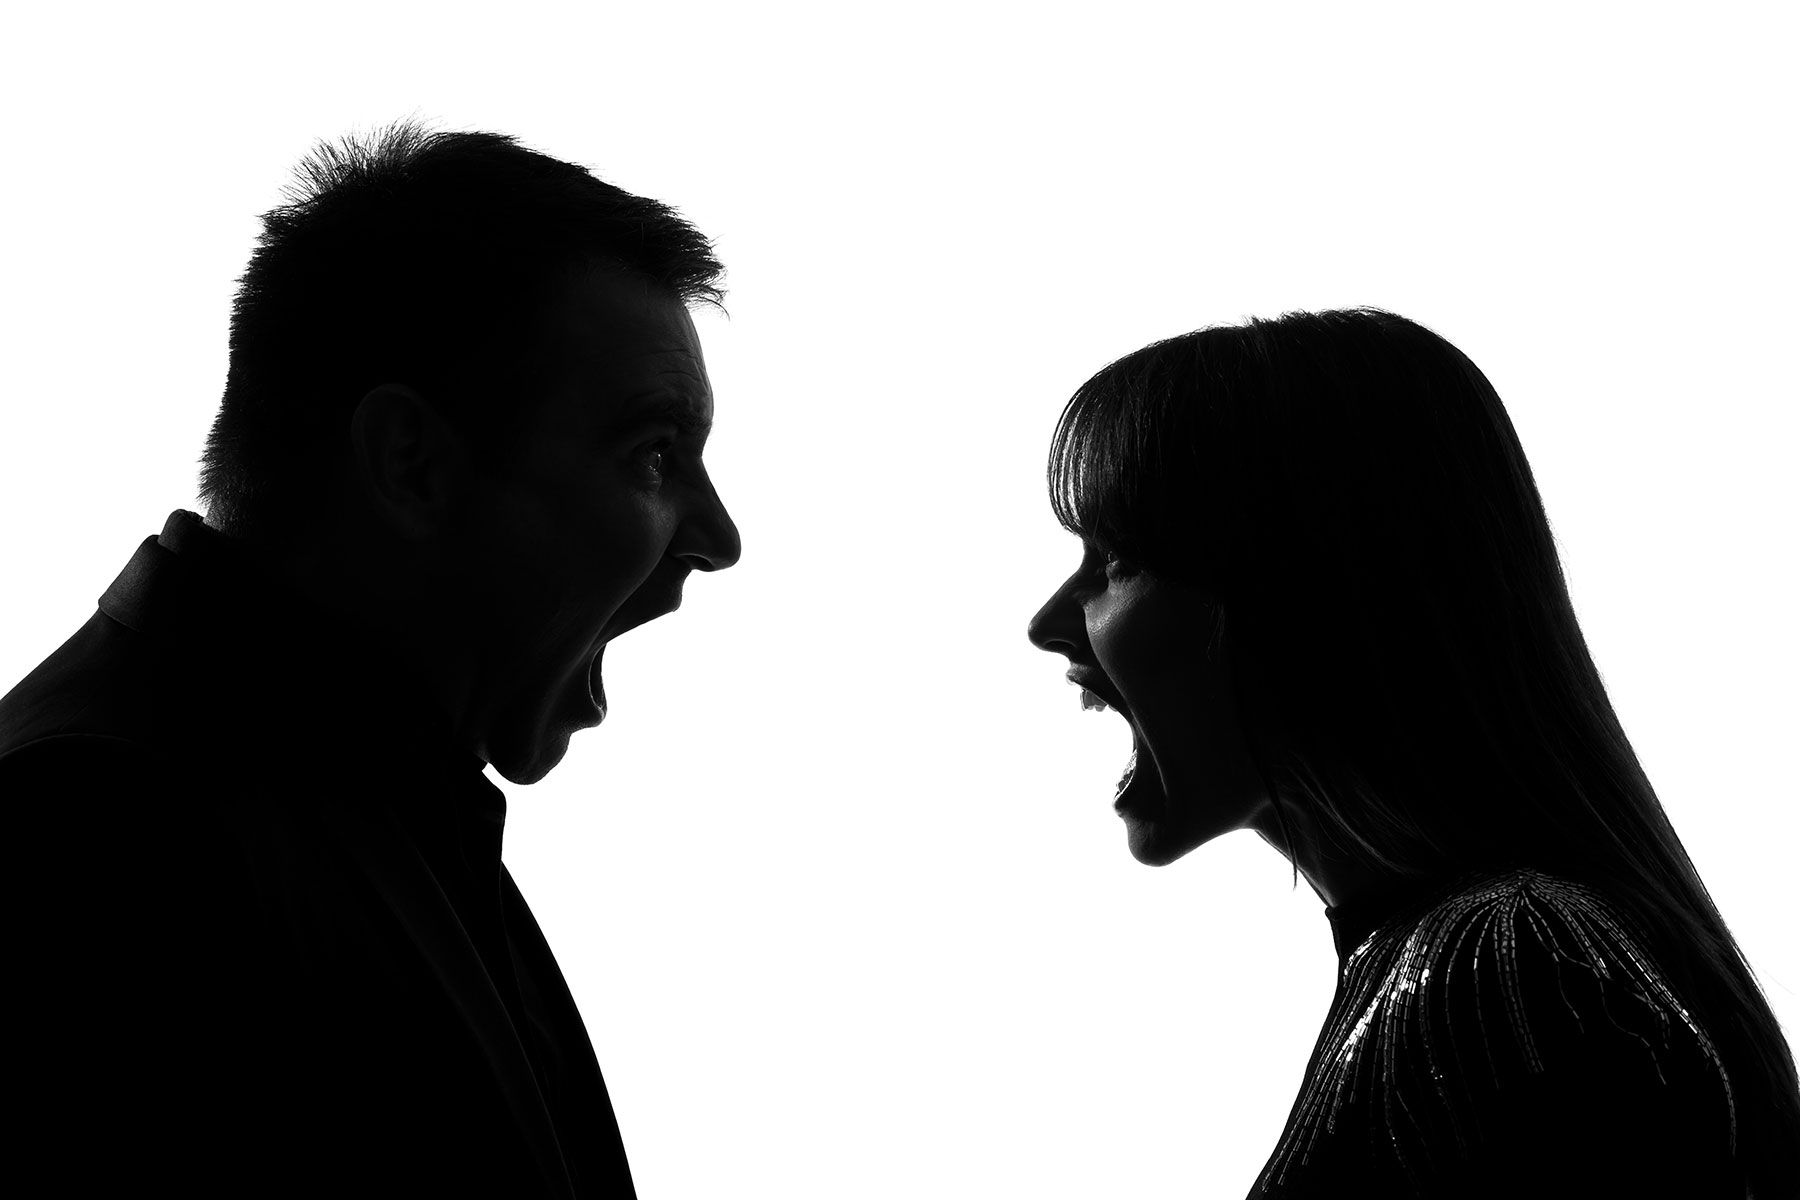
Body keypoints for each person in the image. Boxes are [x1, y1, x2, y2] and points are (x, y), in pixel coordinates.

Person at [1, 121, 739, 1197]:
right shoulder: (97, 840)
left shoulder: (376, 809)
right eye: (654, 454)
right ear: (411, 462)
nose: (717, 538)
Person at [1026, 309, 1800, 1198]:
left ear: (1304, 596)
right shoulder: (1489, 969)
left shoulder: (1506, 970)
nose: (1049, 624)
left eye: (1116, 559)